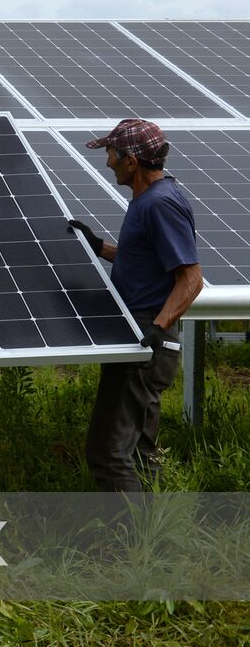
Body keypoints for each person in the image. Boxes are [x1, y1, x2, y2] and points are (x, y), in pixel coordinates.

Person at [68, 118, 203, 492]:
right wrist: (100, 248)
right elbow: (146, 261)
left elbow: (191, 279)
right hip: (147, 338)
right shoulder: (150, 201)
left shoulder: (160, 204)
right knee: (140, 451)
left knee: (108, 451)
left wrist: (156, 329)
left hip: (146, 340)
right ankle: (149, 541)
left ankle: (124, 546)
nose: (108, 161)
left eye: (112, 153)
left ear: (132, 161)